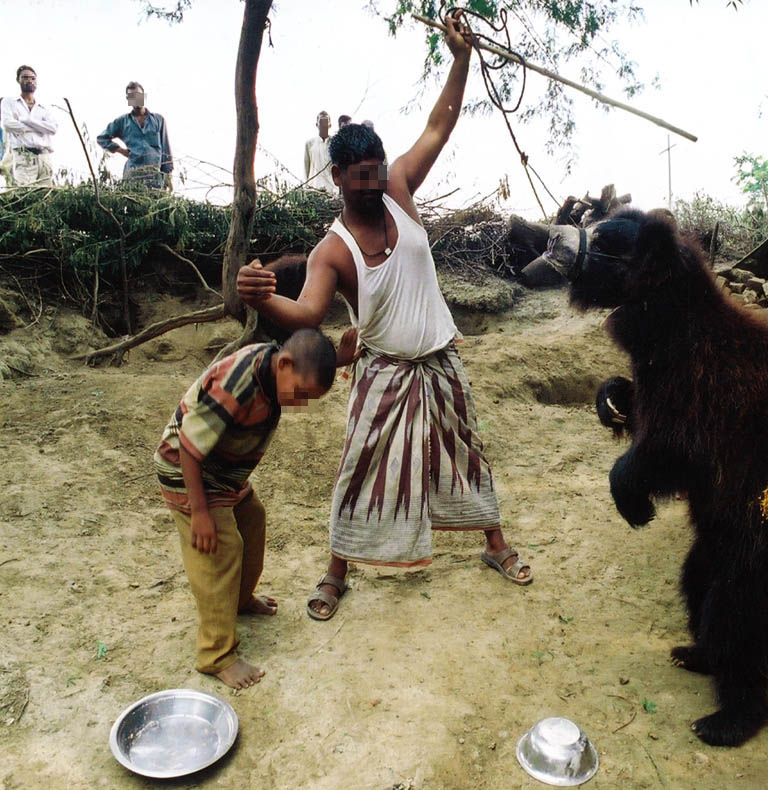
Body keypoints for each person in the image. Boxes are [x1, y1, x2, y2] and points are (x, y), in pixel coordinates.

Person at [237, 10, 532, 622]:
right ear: (338, 176)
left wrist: (460, 59)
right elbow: (309, 313)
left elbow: (438, 127)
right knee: (359, 462)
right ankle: (336, 571)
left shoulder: (399, 187)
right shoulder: (332, 249)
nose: (371, 188)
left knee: (466, 450)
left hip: (441, 358)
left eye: (376, 175)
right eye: (359, 180)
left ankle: (494, 545)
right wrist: (262, 295)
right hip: (383, 371)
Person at [154, 328, 355, 688]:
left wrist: (339, 357)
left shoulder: (281, 369)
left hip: (223, 472)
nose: (300, 404)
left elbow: (308, 362)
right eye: (301, 394)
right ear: (285, 364)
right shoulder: (237, 383)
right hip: (190, 471)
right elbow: (188, 444)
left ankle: (240, 600)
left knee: (253, 519)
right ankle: (215, 656)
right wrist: (199, 512)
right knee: (220, 547)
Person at [97, 81, 174, 190]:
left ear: (143, 96)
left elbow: (166, 152)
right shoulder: (123, 122)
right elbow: (102, 138)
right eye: (132, 96)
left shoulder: (158, 120)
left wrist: (167, 179)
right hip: (133, 178)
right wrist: (121, 150)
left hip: (155, 180)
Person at [0, 65, 58, 187]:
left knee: (46, 195)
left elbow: (53, 128)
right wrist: (39, 128)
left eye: (32, 78)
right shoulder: (9, 102)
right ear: (18, 80)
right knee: (25, 193)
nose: (29, 81)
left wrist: (27, 121)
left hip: (44, 156)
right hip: (24, 156)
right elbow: (8, 124)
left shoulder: (43, 106)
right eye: (25, 77)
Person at [304, 110, 338, 195]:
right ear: (317, 124)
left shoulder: (334, 143)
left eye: (326, 122)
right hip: (314, 188)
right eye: (321, 122)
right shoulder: (310, 144)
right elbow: (306, 168)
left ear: (330, 125)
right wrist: (306, 185)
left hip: (331, 189)